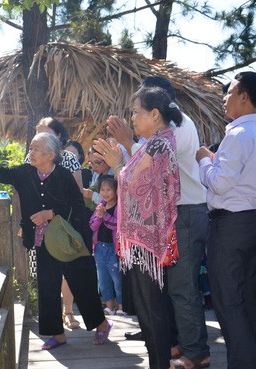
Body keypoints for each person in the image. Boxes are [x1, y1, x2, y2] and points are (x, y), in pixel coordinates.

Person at [0, 132, 112, 350]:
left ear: (50, 154)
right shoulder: (25, 173)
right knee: (47, 285)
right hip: (42, 240)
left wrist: (51, 213)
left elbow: (76, 206)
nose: (31, 152)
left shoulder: (64, 176)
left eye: (36, 149)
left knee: (81, 283)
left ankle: (102, 324)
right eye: (31, 148)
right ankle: (57, 334)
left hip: (67, 241)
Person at [108, 76, 210, 369]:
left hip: (187, 213)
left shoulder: (175, 131)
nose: (133, 117)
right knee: (170, 290)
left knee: (183, 288)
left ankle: (195, 350)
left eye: (137, 109)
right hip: (173, 217)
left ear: (157, 107)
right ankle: (180, 343)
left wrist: (124, 151)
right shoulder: (161, 135)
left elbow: (146, 174)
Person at [94, 86, 181, 369]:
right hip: (148, 237)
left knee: (151, 308)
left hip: (147, 239)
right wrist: (120, 165)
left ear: (154, 114)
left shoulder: (158, 144)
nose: (131, 118)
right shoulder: (158, 142)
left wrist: (118, 163)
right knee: (149, 307)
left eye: (135, 112)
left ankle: (160, 364)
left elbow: (131, 182)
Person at [195, 71, 256, 369]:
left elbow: (219, 184)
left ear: (244, 95)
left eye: (229, 92)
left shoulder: (237, 134)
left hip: (230, 225)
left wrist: (204, 158)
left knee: (228, 300)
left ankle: (246, 363)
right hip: (254, 224)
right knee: (250, 296)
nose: (224, 98)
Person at [28, 117, 83, 329]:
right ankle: (51, 318)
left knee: (66, 269)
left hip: (62, 222)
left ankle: (68, 312)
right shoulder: (29, 159)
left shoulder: (68, 159)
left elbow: (77, 194)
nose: (38, 135)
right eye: (36, 131)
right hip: (38, 224)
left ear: (58, 136)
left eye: (44, 131)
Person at [89, 175, 125, 316]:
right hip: (99, 248)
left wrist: (105, 216)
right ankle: (109, 305)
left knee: (117, 279)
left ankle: (121, 305)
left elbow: (117, 225)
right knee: (103, 279)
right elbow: (92, 226)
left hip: (113, 249)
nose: (105, 192)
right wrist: (99, 216)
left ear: (116, 190)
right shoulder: (100, 206)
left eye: (109, 189)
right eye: (102, 190)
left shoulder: (118, 207)